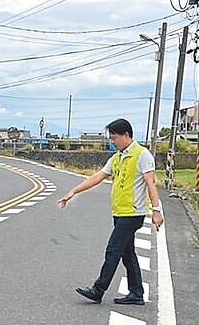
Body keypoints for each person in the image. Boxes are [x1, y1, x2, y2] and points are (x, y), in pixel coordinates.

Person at [58, 118, 163, 304]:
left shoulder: (142, 155)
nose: (112, 142)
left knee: (113, 250)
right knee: (127, 253)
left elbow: (151, 183)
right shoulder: (117, 157)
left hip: (133, 214)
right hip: (120, 213)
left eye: (114, 138)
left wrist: (156, 210)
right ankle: (136, 293)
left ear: (126, 135)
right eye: (111, 139)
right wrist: (74, 191)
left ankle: (98, 290)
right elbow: (98, 176)